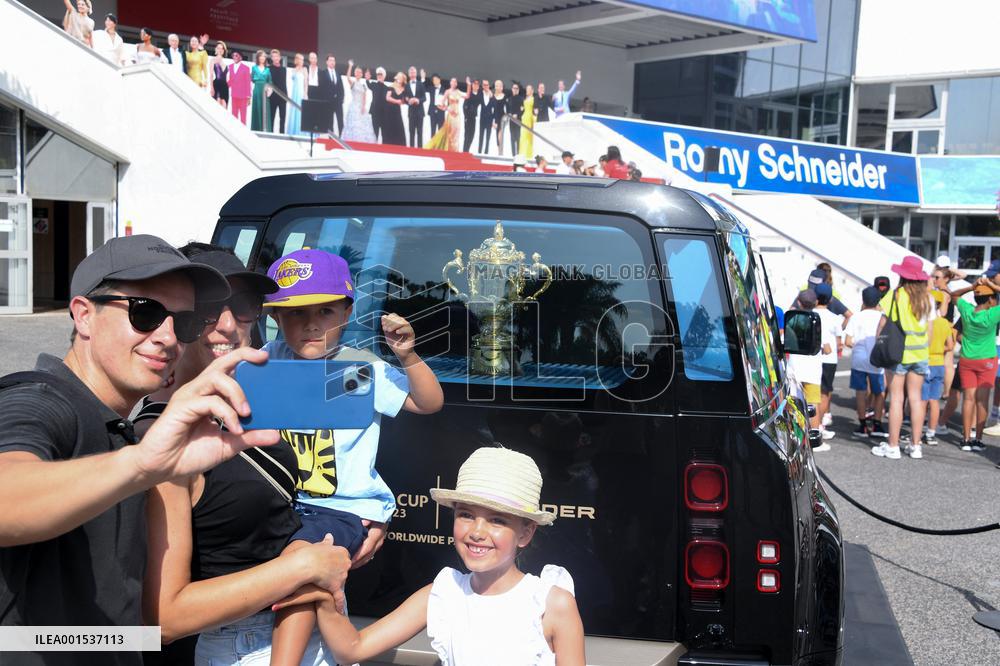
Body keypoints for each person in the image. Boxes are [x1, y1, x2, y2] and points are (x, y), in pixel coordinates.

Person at [0, 235, 285, 666]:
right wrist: (142, 464)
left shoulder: (118, 426)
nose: (168, 337)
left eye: (185, 322)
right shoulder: (42, 399)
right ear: (84, 316)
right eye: (145, 313)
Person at [133, 244, 351, 665]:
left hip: (310, 624)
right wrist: (307, 566)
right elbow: (164, 619)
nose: (230, 325)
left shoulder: (251, 405)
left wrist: (354, 530)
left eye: (245, 306)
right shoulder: (159, 439)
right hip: (238, 645)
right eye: (210, 310)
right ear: (175, 320)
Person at [258, 249, 443, 665]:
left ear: (347, 313)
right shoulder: (263, 364)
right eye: (293, 313)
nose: (309, 324)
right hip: (283, 503)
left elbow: (426, 402)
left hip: (341, 509)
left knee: (303, 565)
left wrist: (408, 356)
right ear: (274, 317)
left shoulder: (360, 368)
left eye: (324, 311)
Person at [270, 446, 586, 666]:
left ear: (526, 533)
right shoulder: (443, 593)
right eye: (466, 514)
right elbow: (352, 649)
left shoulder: (550, 603)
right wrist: (325, 598)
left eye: (497, 520)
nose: (477, 531)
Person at [872, 257, 934, 460]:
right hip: (921, 354)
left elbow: (882, 324)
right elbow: (930, 331)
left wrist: (878, 344)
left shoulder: (896, 295)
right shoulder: (928, 298)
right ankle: (916, 446)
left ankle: (893, 445)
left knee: (897, 398)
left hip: (898, 354)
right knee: (916, 398)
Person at [948, 278, 1000, 451]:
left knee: (968, 399)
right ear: (990, 300)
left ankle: (965, 439)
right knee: (982, 400)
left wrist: (972, 286)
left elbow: (953, 294)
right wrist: (993, 286)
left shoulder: (967, 310)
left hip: (967, 360)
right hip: (987, 361)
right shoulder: (992, 315)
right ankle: (978, 439)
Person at [845, 286, 887, 439]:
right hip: (877, 359)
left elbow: (848, 341)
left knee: (861, 392)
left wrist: (858, 345)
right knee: (879, 392)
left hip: (859, 359)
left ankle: (862, 425)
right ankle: (877, 423)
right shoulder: (883, 316)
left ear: (863, 300)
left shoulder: (856, 317)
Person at [786, 289, 825, 436]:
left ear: (799, 302)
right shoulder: (819, 318)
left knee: (793, 402)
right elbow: (826, 348)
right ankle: (814, 435)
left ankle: (795, 434)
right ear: (815, 302)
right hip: (813, 370)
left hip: (794, 368)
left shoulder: (792, 317)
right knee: (812, 403)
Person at [922, 289, 955, 446]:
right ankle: (931, 433)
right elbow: (950, 345)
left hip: (925, 362)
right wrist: (939, 350)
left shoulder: (923, 321)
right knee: (934, 400)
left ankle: (916, 431)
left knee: (921, 401)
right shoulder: (944, 323)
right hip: (939, 364)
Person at [814, 284, 841, 443]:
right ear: (830, 299)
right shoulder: (834, 318)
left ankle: (812, 423)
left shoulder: (810, 314)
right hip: (829, 360)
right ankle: (821, 425)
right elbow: (839, 342)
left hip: (812, 358)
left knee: (811, 392)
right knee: (825, 392)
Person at [426, 77, 468, 152]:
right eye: (452, 81)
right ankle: (448, 151)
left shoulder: (458, 91)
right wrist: (447, 109)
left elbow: (467, 96)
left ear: (456, 83)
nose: (454, 83)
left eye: (455, 81)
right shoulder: (447, 92)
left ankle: (455, 152)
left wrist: (469, 85)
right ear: (450, 83)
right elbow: (439, 104)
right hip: (451, 115)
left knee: (456, 134)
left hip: (457, 115)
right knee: (450, 134)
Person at [342, 64, 377, 143]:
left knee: (363, 126)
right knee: (354, 125)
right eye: (357, 72)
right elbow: (348, 77)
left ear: (362, 74)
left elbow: (364, 98)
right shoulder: (353, 83)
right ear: (355, 73)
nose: (358, 74)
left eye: (360, 72)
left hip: (361, 107)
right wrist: (350, 66)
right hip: (353, 107)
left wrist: (363, 107)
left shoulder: (364, 86)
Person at [318, 54, 347, 136]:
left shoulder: (338, 73)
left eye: (333, 60)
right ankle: (331, 138)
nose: (332, 62)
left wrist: (341, 98)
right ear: (327, 62)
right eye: (330, 60)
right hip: (328, 102)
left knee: (340, 121)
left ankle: (342, 137)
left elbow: (341, 88)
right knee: (330, 121)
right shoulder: (323, 73)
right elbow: (321, 88)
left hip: (338, 102)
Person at [381, 72, 409, 146]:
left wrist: (404, 101)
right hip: (389, 110)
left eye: (401, 77)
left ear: (403, 80)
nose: (399, 78)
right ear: (396, 78)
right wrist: (397, 101)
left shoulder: (404, 89)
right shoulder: (391, 87)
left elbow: (404, 100)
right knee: (389, 127)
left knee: (398, 128)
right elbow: (387, 98)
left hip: (397, 111)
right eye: (398, 77)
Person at [405, 65, 427, 148]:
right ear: (409, 74)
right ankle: (411, 150)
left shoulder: (420, 84)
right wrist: (408, 101)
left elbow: (424, 98)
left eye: (413, 72)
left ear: (416, 73)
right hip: (411, 112)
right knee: (411, 132)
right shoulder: (406, 85)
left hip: (420, 112)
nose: (412, 73)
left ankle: (420, 150)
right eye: (410, 72)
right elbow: (405, 97)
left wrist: (418, 100)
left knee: (420, 132)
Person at [228, 50, 252, 125]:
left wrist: (249, 96)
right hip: (234, 95)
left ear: (240, 58)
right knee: (234, 116)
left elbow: (248, 83)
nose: (234, 57)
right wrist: (223, 87)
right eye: (233, 55)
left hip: (243, 96)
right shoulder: (230, 66)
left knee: (243, 117)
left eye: (236, 55)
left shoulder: (246, 68)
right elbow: (231, 80)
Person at [250, 50, 272, 132]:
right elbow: (252, 78)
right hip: (257, 90)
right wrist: (258, 81)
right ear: (258, 57)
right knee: (257, 107)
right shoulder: (254, 68)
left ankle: (265, 129)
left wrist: (269, 89)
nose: (262, 58)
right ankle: (256, 128)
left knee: (265, 108)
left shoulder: (268, 69)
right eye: (261, 56)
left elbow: (270, 81)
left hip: (265, 90)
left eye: (264, 56)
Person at [268, 50, 288, 134]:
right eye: (273, 56)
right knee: (271, 117)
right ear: (271, 58)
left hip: (283, 96)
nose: (276, 58)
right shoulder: (269, 69)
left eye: (277, 56)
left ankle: (282, 134)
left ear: (280, 57)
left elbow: (284, 83)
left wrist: (286, 95)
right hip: (273, 96)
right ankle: (270, 133)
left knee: (282, 117)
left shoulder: (284, 69)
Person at [365, 67, 389, 141]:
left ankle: (384, 149)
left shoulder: (387, 88)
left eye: (380, 74)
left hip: (384, 113)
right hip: (375, 112)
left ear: (384, 76)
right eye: (378, 74)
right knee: (375, 132)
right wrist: (367, 78)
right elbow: (368, 84)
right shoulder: (374, 84)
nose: (379, 75)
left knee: (384, 133)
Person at [286, 53, 307, 136]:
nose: (302, 61)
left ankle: (300, 132)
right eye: (300, 59)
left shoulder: (304, 69)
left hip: (301, 92)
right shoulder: (293, 70)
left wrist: (305, 93)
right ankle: (293, 131)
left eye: (303, 60)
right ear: (297, 60)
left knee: (300, 111)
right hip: (294, 93)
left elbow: (306, 83)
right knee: (294, 109)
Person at [463, 79, 482, 153]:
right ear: (472, 85)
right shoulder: (469, 94)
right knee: (467, 134)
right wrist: (466, 116)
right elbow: (464, 106)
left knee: (472, 134)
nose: (475, 85)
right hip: (468, 117)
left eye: (477, 84)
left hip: (473, 117)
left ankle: (467, 150)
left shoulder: (479, 95)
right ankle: (465, 150)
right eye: (474, 84)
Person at [519, 84, 537, 159]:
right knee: (523, 136)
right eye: (527, 89)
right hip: (524, 117)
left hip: (530, 117)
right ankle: (522, 153)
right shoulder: (525, 98)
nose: (527, 90)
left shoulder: (533, 99)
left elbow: (535, 109)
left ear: (532, 90)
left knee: (529, 136)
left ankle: (528, 154)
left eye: (529, 89)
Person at [210, 41, 229, 110]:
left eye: (222, 48)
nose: (220, 50)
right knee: (217, 107)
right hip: (217, 85)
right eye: (218, 48)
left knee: (224, 106)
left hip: (225, 87)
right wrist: (211, 88)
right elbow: (211, 75)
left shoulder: (226, 62)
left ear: (224, 50)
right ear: (216, 49)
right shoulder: (213, 60)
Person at [479, 80, 496, 154]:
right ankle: (479, 151)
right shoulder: (480, 93)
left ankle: (486, 151)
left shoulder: (491, 95)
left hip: (489, 118)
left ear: (489, 86)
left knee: (488, 136)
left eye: (487, 85)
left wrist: (492, 96)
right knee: (481, 135)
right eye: (484, 85)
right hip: (482, 117)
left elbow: (494, 106)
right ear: (482, 86)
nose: (486, 86)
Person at [508, 82, 524, 156]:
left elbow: (522, 109)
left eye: (516, 88)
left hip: (518, 120)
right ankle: (513, 154)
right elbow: (508, 109)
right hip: (511, 121)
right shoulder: (509, 99)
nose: (515, 90)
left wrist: (517, 114)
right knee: (512, 137)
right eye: (514, 88)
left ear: (518, 90)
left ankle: (518, 154)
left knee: (518, 137)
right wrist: (510, 114)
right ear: (512, 89)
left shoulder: (521, 99)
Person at [493, 80, 508, 154]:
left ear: (502, 87)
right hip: (495, 118)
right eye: (496, 85)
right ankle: (499, 151)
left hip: (502, 118)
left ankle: (501, 151)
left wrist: (506, 117)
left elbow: (507, 109)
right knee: (497, 135)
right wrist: (493, 121)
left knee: (500, 134)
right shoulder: (492, 97)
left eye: (499, 85)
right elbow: (492, 110)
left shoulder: (505, 97)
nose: (497, 87)